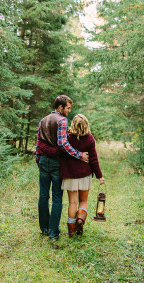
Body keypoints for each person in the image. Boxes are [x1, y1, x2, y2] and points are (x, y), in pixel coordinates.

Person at [39, 114, 105, 238]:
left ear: (73, 124)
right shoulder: (90, 138)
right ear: (86, 125)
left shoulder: (67, 138)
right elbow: (94, 159)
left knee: (72, 203)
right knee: (83, 200)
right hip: (85, 175)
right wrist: (99, 176)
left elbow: (63, 150)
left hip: (69, 175)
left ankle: (71, 231)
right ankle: (80, 220)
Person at [36, 95, 89, 239]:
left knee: (43, 195)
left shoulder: (43, 120)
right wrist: (79, 155)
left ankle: (44, 228)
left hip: (43, 161)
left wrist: (38, 158)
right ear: (60, 107)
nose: (69, 111)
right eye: (68, 108)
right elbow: (63, 144)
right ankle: (53, 232)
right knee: (57, 197)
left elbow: (38, 141)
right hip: (56, 162)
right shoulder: (62, 121)